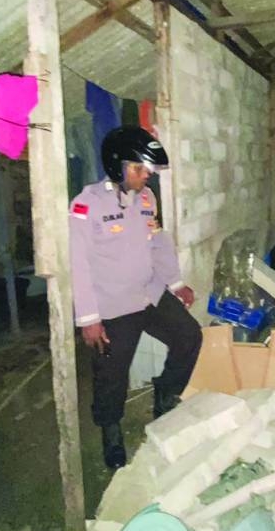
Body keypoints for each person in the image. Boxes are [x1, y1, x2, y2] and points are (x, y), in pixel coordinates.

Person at [69, 126, 202, 469]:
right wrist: (88, 319)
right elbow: (78, 264)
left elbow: (157, 242)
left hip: (150, 294)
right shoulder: (86, 205)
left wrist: (175, 283)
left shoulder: (146, 199)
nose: (145, 177)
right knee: (112, 374)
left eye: (148, 171)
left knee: (189, 336)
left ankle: (164, 392)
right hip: (113, 306)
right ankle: (110, 429)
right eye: (138, 169)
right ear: (117, 164)